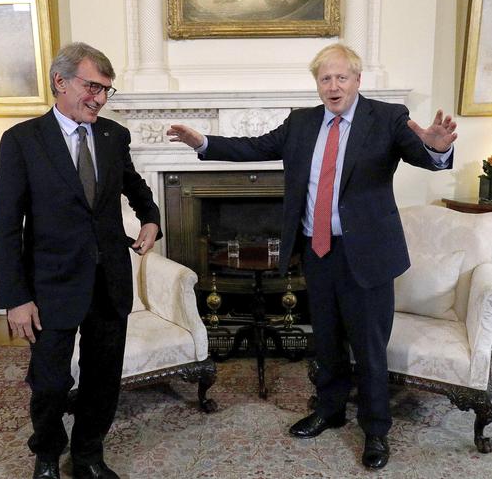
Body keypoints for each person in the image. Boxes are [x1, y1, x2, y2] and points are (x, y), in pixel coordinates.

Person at [167, 43, 457, 470]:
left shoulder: (388, 118)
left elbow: (425, 156)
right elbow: (254, 146)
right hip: (318, 251)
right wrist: (204, 142)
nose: (333, 86)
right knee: (325, 340)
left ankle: (376, 429)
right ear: (317, 84)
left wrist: (435, 146)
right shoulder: (301, 123)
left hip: (368, 255)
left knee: (370, 347)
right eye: (325, 78)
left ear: (357, 80)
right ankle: (330, 409)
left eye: (342, 77)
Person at [0, 42, 161, 479]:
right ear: (61, 82)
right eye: (92, 86)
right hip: (51, 287)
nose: (100, 98)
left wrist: (151, 219)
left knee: (102, 379)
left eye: (107, 90)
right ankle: (47, 453)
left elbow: (135, 185)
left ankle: (88, 454)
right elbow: (7, 227)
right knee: (49, 384)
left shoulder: (112, 136)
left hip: (109, 282)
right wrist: (16, 298)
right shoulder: (21, 141)